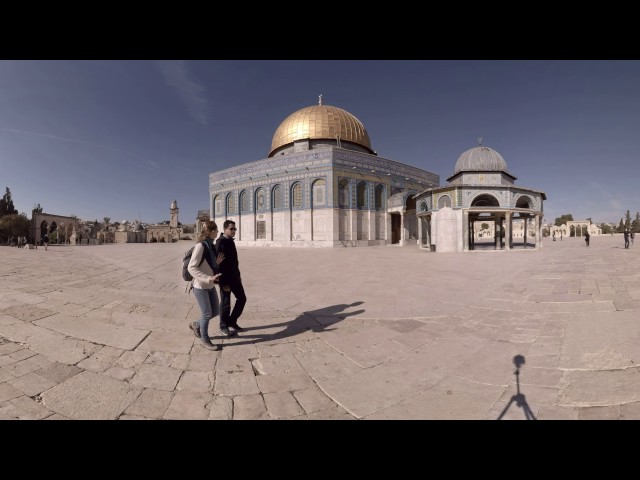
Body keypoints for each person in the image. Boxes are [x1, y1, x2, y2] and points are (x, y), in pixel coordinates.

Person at [187, 220, 225, 351]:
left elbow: (208, 265)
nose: (218, 232)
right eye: (216, 230)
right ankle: (204, 340)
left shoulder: (211, 246)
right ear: (211, 232)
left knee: (215, 311)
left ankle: (196, 324)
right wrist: (208, 278)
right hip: (200, 286)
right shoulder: (201, 246)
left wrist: (217, 262)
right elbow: (191, 268)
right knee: (207, 313)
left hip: (210, 285)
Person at [216, 220, 247, 336]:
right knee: (225, 303)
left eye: (235, 229)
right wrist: (224, 283)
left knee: (242, 299)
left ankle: (232, 321)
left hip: (235, 278)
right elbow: (218, 265)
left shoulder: (230, 241)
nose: (234, 231)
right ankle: (223, 325)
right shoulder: (220, 243)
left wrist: (238, 276)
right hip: (225, 280)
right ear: (225, 229)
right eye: (231, 229)